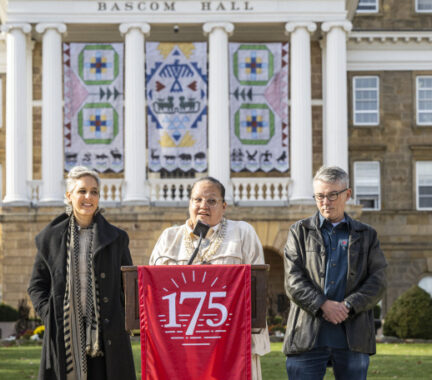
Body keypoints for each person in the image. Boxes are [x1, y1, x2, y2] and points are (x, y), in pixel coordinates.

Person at [150, 176, 270, 380]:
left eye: (211, 201)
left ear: (224, 206)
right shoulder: (169, 238)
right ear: (189, 203)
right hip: (182, 344)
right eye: (197, 200)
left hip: (232, 344)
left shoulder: (242, 233)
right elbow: (152, 290)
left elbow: (258, 286)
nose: (203, 206)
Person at [28, 166, 136, 380]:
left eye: (94, 191)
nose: (89, 197)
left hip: (107, 337)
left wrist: (122, 317)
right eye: (82, 191)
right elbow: (37, 285)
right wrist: (50, 314)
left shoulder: (117, 238)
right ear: (69, 196)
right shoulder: (50, 238)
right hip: (65, 334)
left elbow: (128, 285)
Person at [283, 166, 387, 380]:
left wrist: (348, 306)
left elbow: (378, 280)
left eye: (332, 195)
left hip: (353, 338)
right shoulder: (299, 232)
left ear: (347, 194)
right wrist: (323, 304)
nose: (325, 202)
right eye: (320, 196)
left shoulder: (366, 235)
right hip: (306, 337)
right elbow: (293, 280)